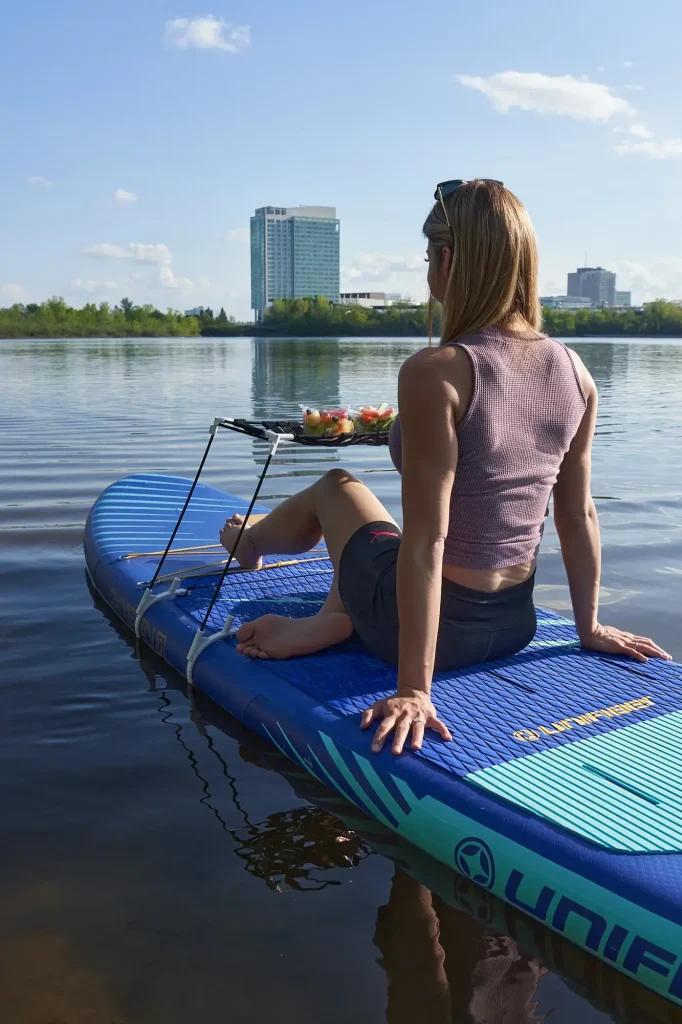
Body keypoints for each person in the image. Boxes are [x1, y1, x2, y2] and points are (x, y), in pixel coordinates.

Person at [219, 178, 670, 756]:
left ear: (447, 258)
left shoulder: (438, 371)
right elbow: (578, 512)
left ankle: (255, 546)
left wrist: (414, 690)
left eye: (427, 256)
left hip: (430, 632)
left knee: (338, 488)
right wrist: (590, 628)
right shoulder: (577, 371)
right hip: (514, 625)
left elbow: (427, 543)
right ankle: (336, 611)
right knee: (384, 536)